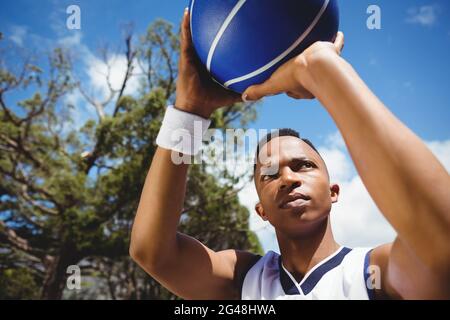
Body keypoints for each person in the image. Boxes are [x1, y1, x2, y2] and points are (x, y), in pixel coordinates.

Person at [129, 8, 450, 299]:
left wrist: (319, 68)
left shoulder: (373, 273)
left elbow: (442, 240)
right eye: (269, 173)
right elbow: (152, 253)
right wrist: (190, 113)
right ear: (261, 211)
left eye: (304, 165)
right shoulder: (242, 281)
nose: (287, 179)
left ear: (333, 191)